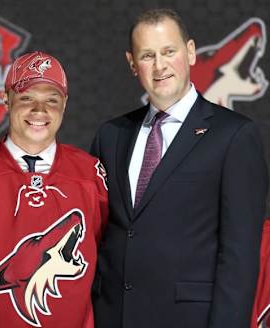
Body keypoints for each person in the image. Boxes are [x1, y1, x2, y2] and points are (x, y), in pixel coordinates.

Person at [91, 8, 268, 328]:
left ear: (190, 52)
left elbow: (239, 257)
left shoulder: (234, 135)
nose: (159, 66)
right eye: (147, 55)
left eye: (168, 51)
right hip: (112, 316)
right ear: (132, 64)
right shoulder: (111, 135)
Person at [0, 51, 108, 327]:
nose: (39, 110)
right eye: (27, 98)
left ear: (64, 104)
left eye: (51, 100)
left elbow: (112, 258)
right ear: (6, 99)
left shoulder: (90, 175)